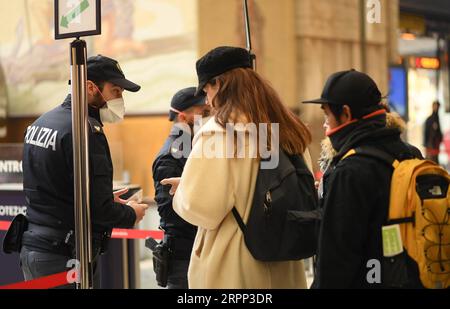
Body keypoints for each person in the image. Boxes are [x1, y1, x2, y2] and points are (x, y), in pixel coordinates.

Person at [162, 46, 311, 288]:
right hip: (283, 259)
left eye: (207, 89)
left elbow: (204, 207)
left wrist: (183, 192)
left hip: (235, 265)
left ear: (219, 84)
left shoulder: (220, 133)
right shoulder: (286, 127)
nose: (207, 100)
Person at [20, 55, 148, 288]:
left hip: (35, 248)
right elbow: (98, 212)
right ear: (90, 87)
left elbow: (57, 186)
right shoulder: (86, 131)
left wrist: (104, 199)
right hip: (65, 256)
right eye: (116, 91)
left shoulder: (42, 122)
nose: (120, 99)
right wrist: (131, 213)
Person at [303, 69, 421, 288]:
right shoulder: (411, 154)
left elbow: (335, 262)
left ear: (346, 114)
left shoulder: (350, 171)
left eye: (327, 115)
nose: (325, 124)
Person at [151, 87, 209, 289]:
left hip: (197, 249)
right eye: (204, 112)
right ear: (184, 117)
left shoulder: (192, 148)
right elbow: (168, 210)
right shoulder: (171, 156)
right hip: (183, 255)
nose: (210, 117)